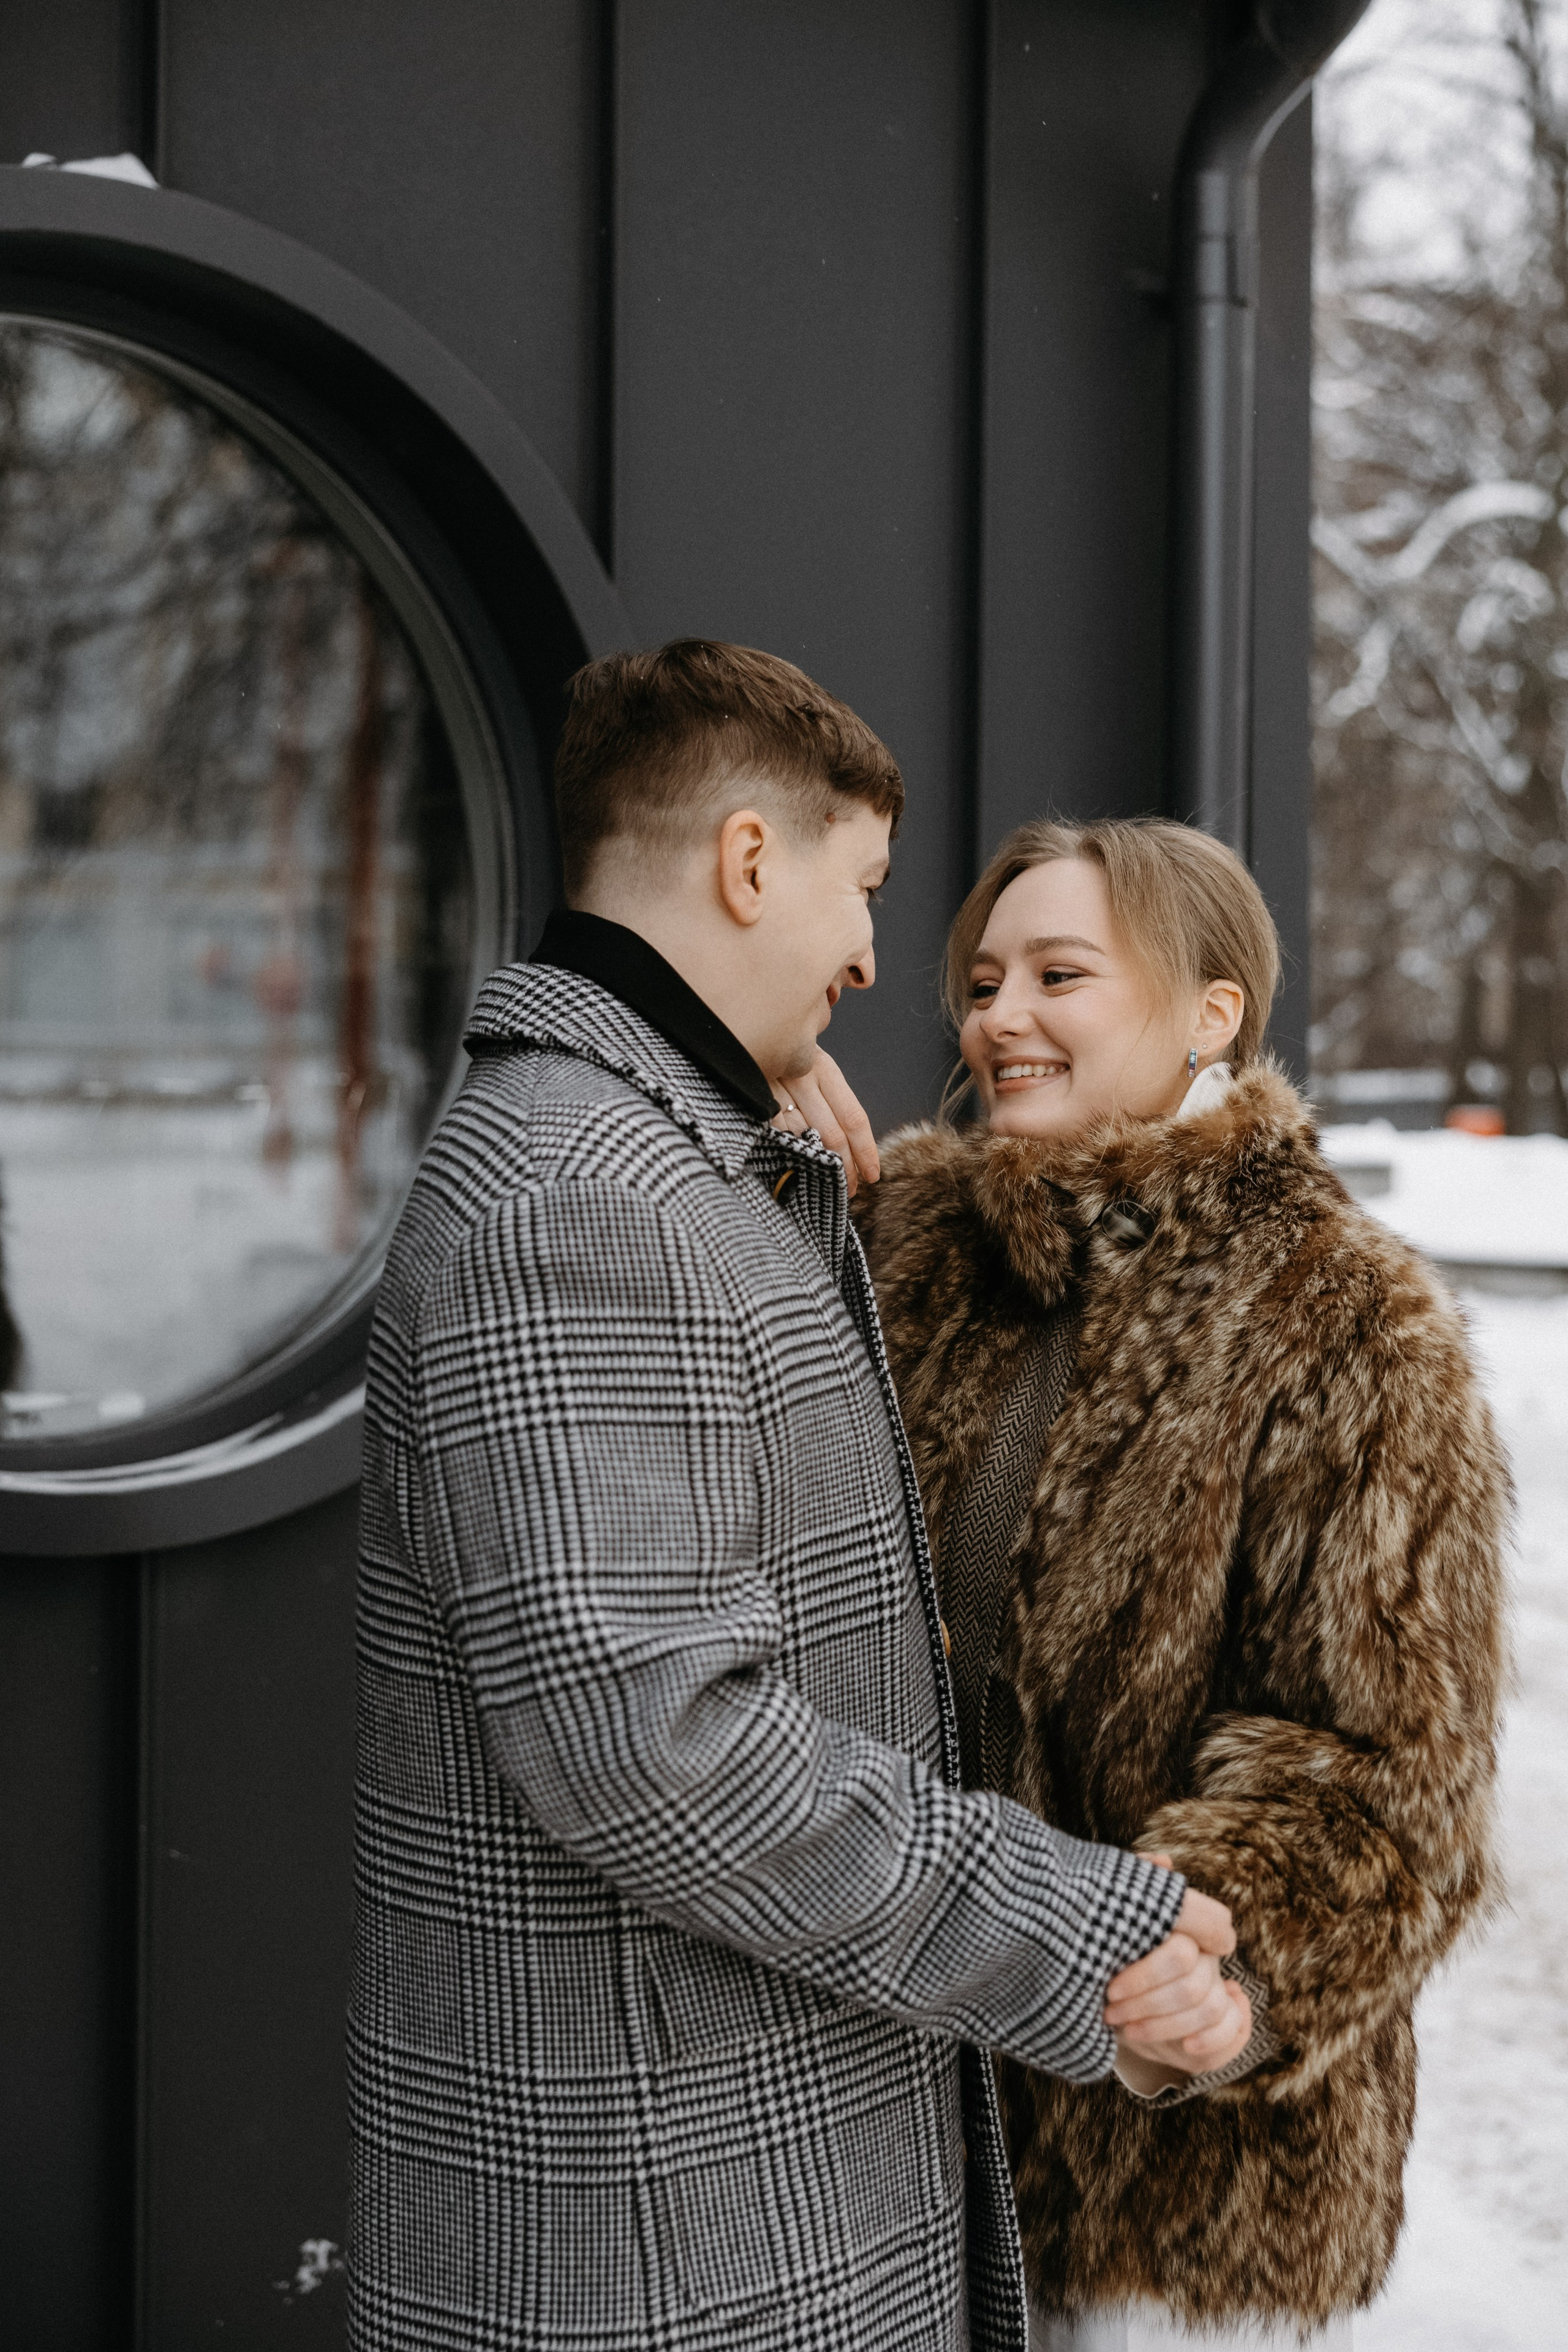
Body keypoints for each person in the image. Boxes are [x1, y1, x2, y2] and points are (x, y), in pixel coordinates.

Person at [348, 646, 1243, 2352]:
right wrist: (1081, 1933)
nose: (873, 959)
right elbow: (664, 1749)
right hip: (669, 2242)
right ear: (751, 861)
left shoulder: (652, 1155)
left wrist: (748, 1121)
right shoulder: (582, 1200)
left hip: (706, 2194)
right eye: (866, 890)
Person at [854, 816, 1510, 2350]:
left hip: (1163, 2179)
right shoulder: (905, 1249)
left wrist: (1226, 1977)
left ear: (1211, 1014)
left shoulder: (1340, 1319)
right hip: (882, 2128)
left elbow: (1390, 1771)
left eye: (1057, 974)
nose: (996, 1015)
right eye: (982, 977)